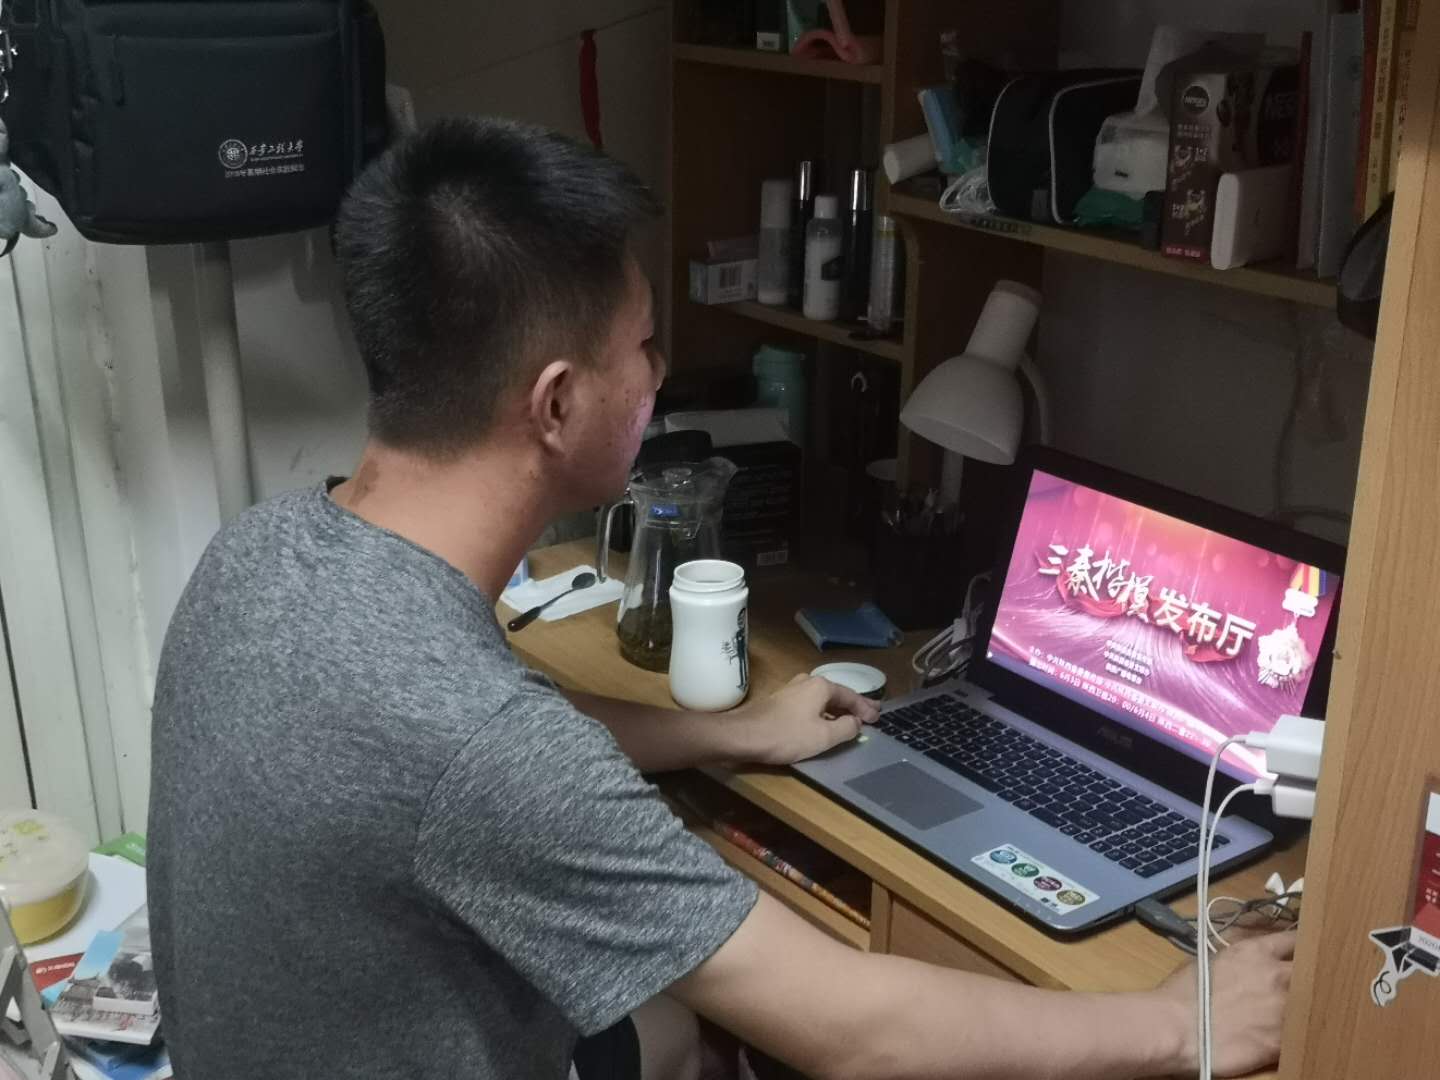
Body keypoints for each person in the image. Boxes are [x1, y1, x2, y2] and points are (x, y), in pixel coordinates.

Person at [147, 117, 1293, 1080]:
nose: (657, 376)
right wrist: (1182, 1023)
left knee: (670, 1027)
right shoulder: (486, 751)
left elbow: (458, 745)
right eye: (643, 346)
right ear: (556, 404)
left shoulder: (259, 554)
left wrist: (725, 734)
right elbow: (855, 1031)